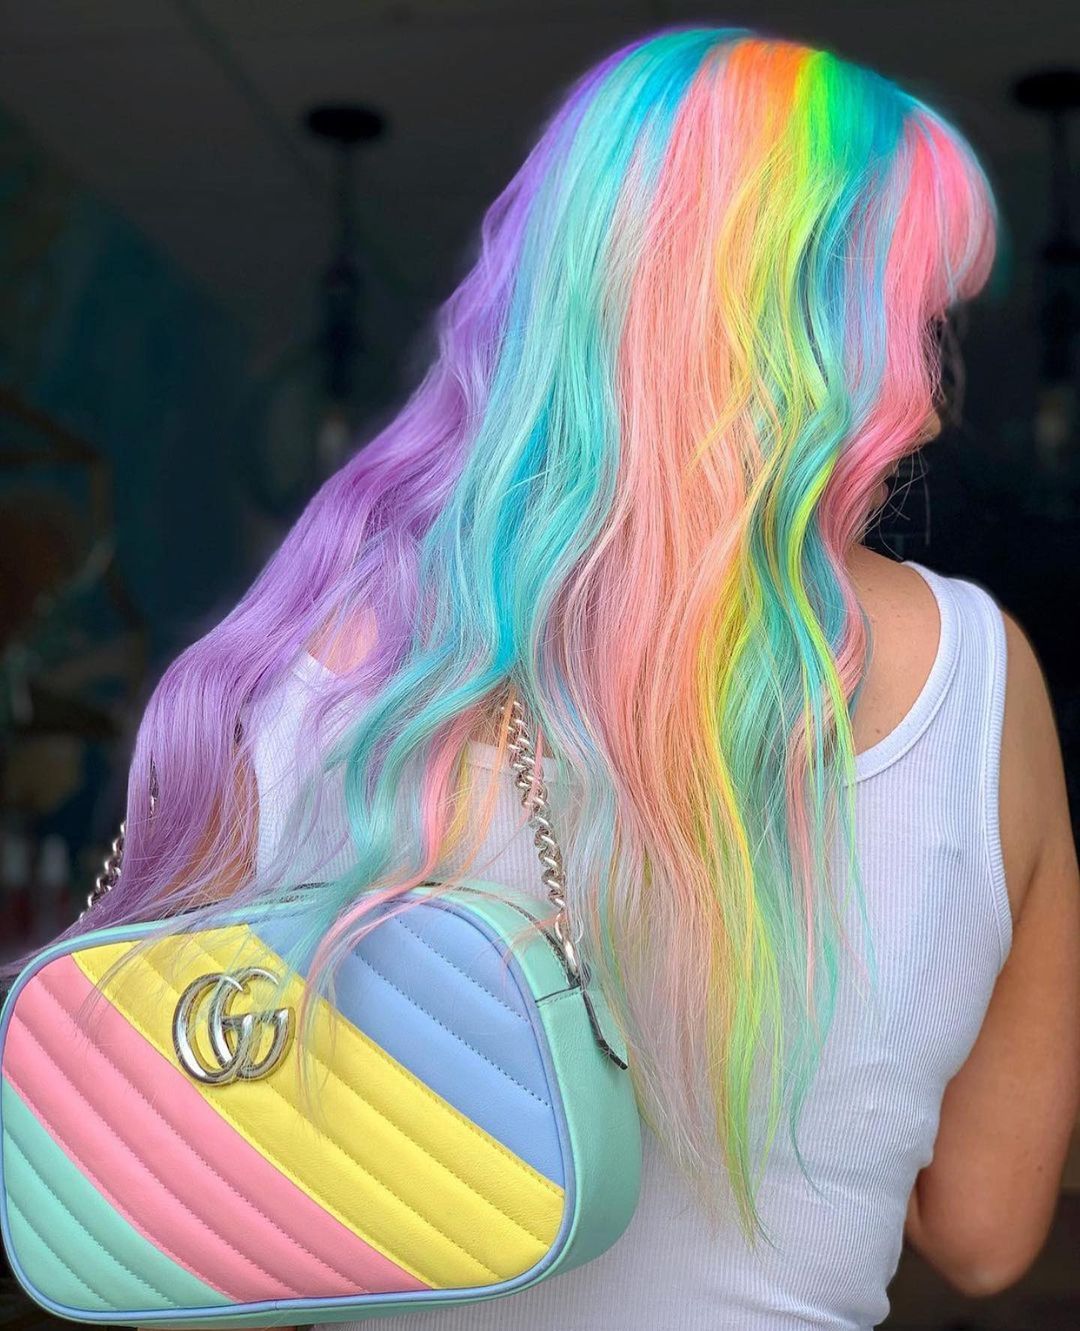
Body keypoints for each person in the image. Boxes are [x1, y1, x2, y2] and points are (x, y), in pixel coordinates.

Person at [102, 28, 1077, 1330]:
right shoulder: (979, 681)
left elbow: (177, 1140)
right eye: (914, 327)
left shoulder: (314, 660)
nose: (936, 401)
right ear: (830, 341)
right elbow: (989, 1230)